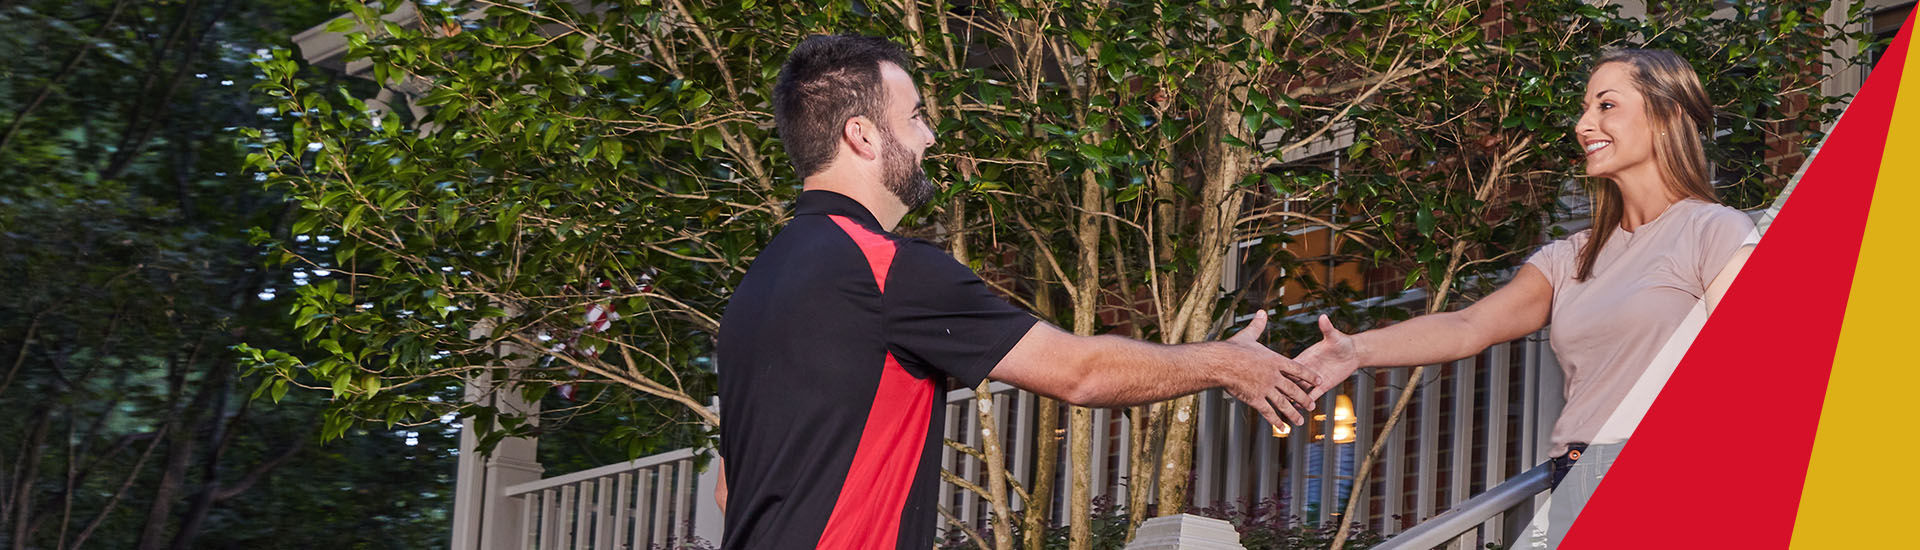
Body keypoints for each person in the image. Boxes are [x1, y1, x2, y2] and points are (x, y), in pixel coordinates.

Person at [713, 35, 1320, 550]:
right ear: (863, 136)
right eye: (917, 116)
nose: (929, 137)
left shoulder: (755, 291)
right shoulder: (889, 270)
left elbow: (728, 487)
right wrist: (1225, 362)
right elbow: (1080, 373)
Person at [1293, 49, 1757, 546]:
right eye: (1584, 108)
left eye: (1606, 105)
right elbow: (1468, 327)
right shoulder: (1570, 258)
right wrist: (1357, 350)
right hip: (1576, 479)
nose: (1583, 125)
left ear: (1668, 113)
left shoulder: (1716, 232)